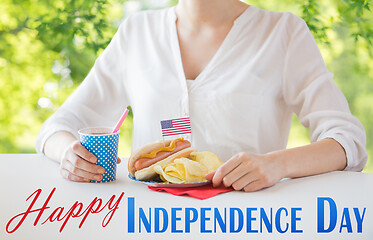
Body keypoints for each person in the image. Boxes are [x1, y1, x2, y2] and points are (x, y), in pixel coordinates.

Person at [36, 0, 367, 192]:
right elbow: (57, 127)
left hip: (249, 228)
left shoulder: (282, 34)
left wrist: (276, 165)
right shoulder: (137, 33)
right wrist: (69, 154)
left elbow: (348, 142)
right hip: (149, 227)